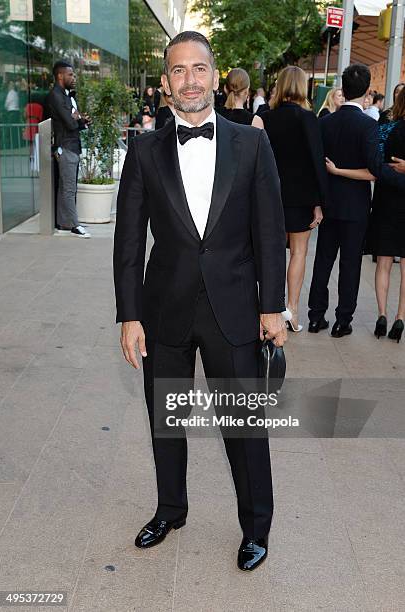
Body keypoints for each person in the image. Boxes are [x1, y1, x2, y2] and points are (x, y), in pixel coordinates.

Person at [113, 30, 287, 572]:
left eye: (200, 68)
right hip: (164, 308)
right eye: (179, 70)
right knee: (166, 420)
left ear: (215, 76)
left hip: (233, 308)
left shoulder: (251, 144)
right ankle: (170, 509)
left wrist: (272, 307)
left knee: (243, 427)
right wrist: (128, 314)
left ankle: (256, 527)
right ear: (165, 84)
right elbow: (127, 242)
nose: (190, 79)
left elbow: (270, 230)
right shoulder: (143, 151)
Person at [308, 64, 405, 337]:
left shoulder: (324, 122)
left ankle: (315, 317)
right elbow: (375, 171)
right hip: (356, 207)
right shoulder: (368, 126)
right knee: (350, 265)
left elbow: (316, 167)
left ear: (343, 87)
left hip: (328, 203)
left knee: (323, 262)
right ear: (366, 91)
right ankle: (342, 321)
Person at [260, 66, 327, 332]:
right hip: (301, 196)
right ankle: (294, 310)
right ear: (301, 86)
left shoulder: (266, 116)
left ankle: (273, 307)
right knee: (298, 252)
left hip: (270, 196)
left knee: (274, 253)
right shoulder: (307, 117)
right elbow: (316, 162)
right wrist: (320, 201)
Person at [46, 61, 91, 238]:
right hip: (65, 146)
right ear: (60, 76)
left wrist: (80, 119)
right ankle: (74, 225)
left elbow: (76, 121)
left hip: (72, 145)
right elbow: (71, 123)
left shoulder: (66, 96)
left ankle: (64, 222)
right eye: (70, 74)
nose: (73, 78)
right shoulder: (55, 96)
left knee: (66, 186)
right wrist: (77, 119)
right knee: (68, 188)